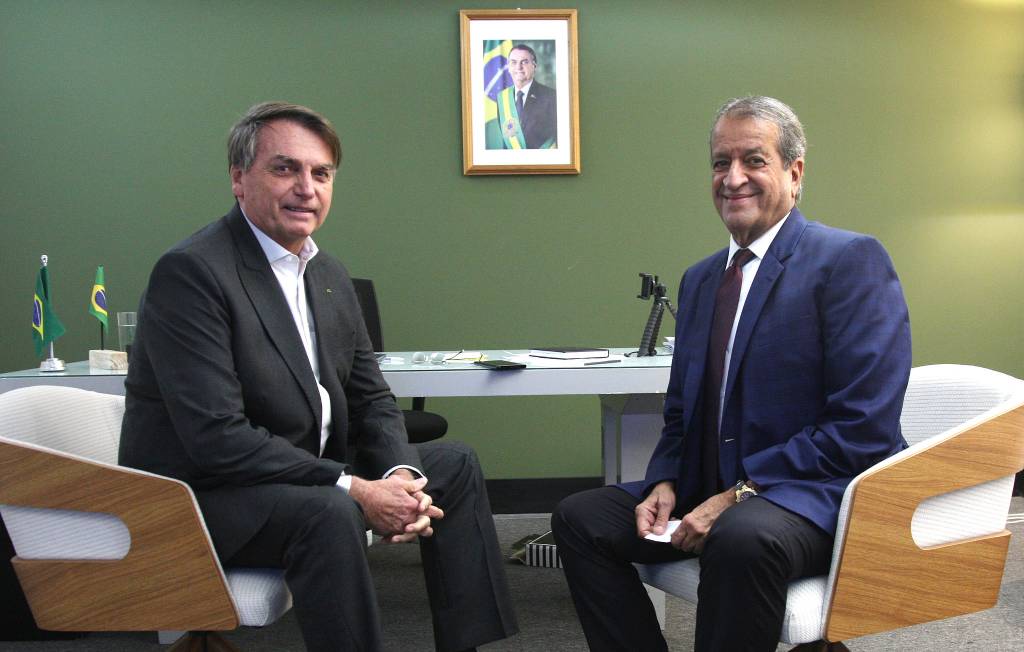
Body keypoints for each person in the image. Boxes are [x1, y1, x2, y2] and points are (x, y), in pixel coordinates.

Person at [119, 101, 517, 652]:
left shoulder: (326, 272)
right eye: (285, 168)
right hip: (202, 497)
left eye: (321, 173)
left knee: (453, 463)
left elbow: (371, 397)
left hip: (296, 470)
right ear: (238, 178)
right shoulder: (192, 273)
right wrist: (356, 487)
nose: (306, 188)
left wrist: (401, 476)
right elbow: (217, 439)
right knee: (331, 509)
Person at [551, 96, 911, 651]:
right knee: (581, 517)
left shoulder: (848, 261)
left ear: (795, 173)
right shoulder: (700, 281)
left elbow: (862, 427)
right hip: (713, 484)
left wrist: (736, 496)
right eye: (721, 163)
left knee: (740, 538)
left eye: (754, 160)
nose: (733, 178)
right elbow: (680, 411)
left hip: (816, 495)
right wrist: (665, 480)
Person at [495, 44, 557, 149]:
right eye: (513, 62)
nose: (518, 67)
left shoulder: (551, 96)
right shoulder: (502, 98)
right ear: (508, 67)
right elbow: (507, 141)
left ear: (534, 66)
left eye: (524, 62)